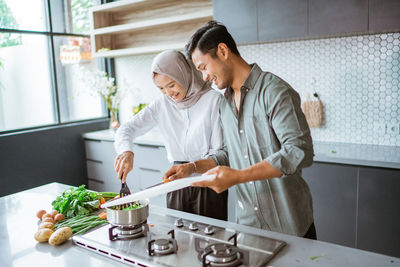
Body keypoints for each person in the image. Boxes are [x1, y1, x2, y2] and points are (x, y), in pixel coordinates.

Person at [163, 21, 316, 239]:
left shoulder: (274, 91)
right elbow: (230, 154)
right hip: (249, 228)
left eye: (203, 67)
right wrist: (193, 167)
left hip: (289, 228)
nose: (204, 77)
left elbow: (298, 151)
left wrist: (239, 176)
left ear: (223, 51)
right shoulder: (224, 104)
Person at [114, 49, 228, 220]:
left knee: (210, 238)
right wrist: (126, 152)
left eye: (172, 85)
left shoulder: (214, 100)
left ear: (184, 74)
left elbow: (222, 152)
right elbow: (126, 129)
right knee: (177, 236)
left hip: (208, 179)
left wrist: (192, 167)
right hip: (175, 181)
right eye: (161, 88)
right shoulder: (162, 104)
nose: (169, 93)